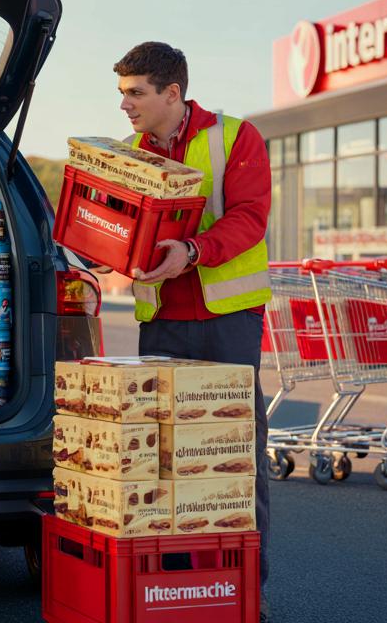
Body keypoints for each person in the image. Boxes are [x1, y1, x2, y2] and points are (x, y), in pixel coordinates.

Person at [112, 42, 273, 619]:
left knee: (235, 459)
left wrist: (194, 250)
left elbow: (250, 218)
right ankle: (178, 590)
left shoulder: (235, 137)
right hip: (163, 324)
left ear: (172, 93)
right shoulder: (127, 154)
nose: (125, 105)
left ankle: (246, 594)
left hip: (226, 321)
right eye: (122, 94)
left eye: (136, 93)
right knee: (165, 462)